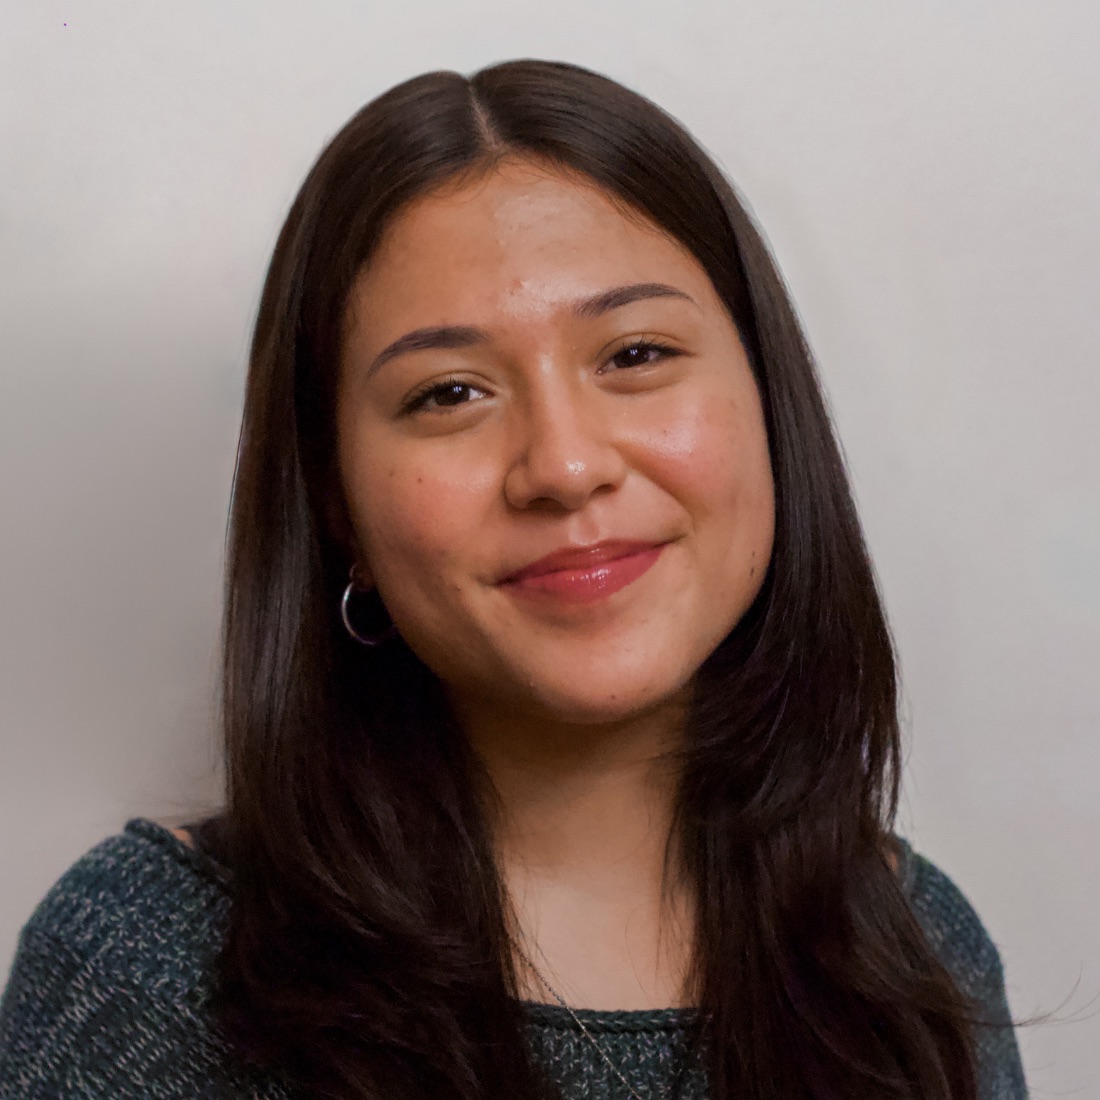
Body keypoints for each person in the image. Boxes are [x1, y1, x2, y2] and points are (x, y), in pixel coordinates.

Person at [0, 59, 1027, 1100]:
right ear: (337, 505)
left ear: (770, 404)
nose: (565, 465)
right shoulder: (151, 970)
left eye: (633, 353)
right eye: (449, 392)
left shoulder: (915, 950)